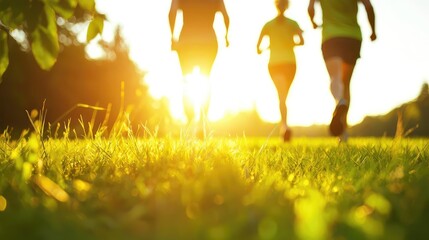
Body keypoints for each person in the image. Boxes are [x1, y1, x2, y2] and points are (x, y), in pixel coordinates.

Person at [308, 0, 376, 142]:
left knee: (335, 77)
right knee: (346, 83)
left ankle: (340, 102)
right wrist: (373, 30)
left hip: (331, 36)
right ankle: (343, 133)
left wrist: (313, 22)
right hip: (352, 37)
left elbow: (310, 8)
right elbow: (368, 6)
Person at [169, 0, 230, 138]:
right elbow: (226, 16)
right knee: (206, 80)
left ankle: (190, 122)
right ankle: (202, 123)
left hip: (186, 41)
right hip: (208, 41)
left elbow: (172, 12)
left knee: (186, 81)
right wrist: (226, 35)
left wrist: (172, 36)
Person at [257, 0, 304, 142]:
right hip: (289, 63)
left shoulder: (268, 25)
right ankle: (285, 126)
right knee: (283, 96)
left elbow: (257, 48)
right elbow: (302, 41)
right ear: (286, 6)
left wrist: (266, 48)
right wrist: (291, 42)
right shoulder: (293, 23)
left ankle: (284, 126)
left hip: (276, 63)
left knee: (282, 96)